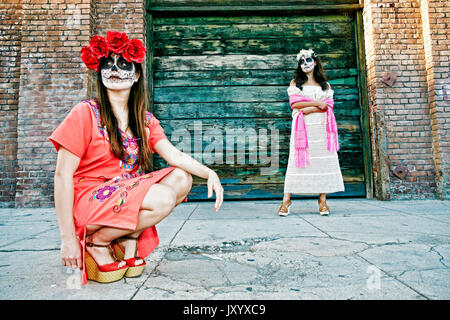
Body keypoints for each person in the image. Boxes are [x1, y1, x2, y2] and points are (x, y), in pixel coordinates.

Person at [49, 31, 224, 285]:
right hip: (90, 199)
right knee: (163, 197)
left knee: (181, 178)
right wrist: (66, 239)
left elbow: (173, 154)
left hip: (123, 194)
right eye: (108, 65)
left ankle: (124, 237)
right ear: (99, 73)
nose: (116, 70)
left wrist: (210, 173)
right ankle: (96, 241)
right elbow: (62, 175)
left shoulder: (144, 121)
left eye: (124, 64)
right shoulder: (84, 113)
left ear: (137, 74)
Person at [278, 49, 344, 217]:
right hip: (303, 128)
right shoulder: (295, 83)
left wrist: (307, 107)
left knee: (321, 163)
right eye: (302, 61)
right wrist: (316, 104)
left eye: (308, 60)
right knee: (296, 162)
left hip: (322, 128)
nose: (305, 63)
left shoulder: (325, 85)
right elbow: (294, 104)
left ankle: (322, 201)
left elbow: (328, 104)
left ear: (315, 62)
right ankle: (286, 200)